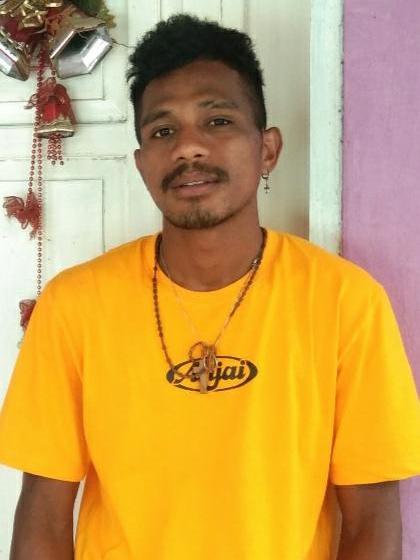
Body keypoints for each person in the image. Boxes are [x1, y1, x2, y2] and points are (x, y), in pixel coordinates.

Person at [1, 13, 420, 560]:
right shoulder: (74, 306)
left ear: (267, 149)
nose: (188, 148)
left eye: (217, 121)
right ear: (142, 164)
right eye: (163, 131)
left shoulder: (347, 302)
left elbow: (372, 519)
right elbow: (43, 513)